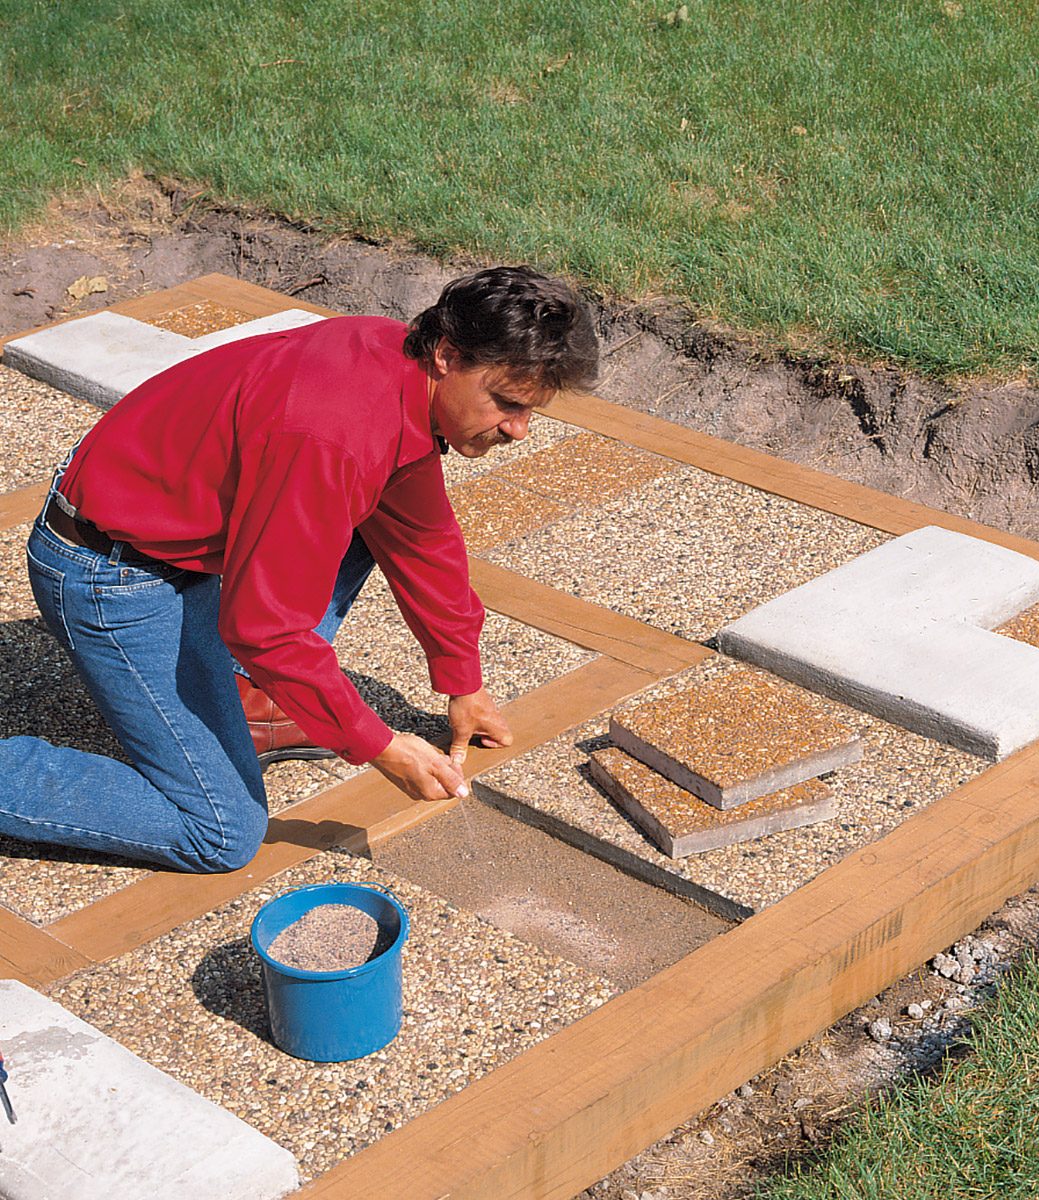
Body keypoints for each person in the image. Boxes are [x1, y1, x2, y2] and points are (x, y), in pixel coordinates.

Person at [0, 265, 598, 873]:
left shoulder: (397, 365)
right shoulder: (332, 433)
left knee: (374, 512)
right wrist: (381, 746)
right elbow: (266, 627)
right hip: (113, 577)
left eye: (532, 412)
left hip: (180, 537)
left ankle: (250, 699)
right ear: (448, 354)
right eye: (506, 404)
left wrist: (462, 680)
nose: (519, 431)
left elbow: (422, 536)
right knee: (220, 832)